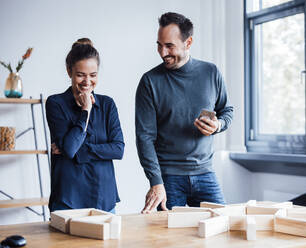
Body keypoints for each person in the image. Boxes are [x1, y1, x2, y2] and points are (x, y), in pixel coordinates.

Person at [135, 12, 233, 213]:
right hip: (169, 178)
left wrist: (218, 125)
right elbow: (145, 137)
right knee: (170, 241)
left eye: (169, 45)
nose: (162, 52)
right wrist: (156, 182)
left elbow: (227, 111)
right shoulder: (149, 82)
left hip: (205, 173)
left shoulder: (211, 73)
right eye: (159, 45)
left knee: (222, 228)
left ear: (188, 43)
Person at [46, 38, 124, 213]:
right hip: (68, 198)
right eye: (81, 74)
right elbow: (70, 148)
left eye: (93, 75)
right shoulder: (55, 103)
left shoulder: (107, 104)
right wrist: (86, 110)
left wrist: (78, 151)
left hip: (104, 197)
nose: (87, 81)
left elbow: (118, 149)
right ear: (69, 71)